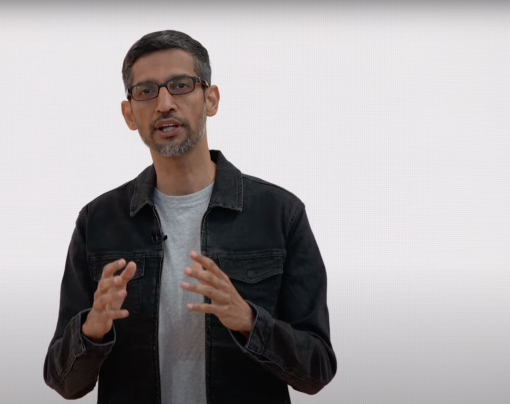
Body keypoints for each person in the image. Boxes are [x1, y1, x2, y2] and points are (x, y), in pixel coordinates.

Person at [43, 30, 337, 404]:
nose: (164, 104)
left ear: (210, 99)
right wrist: (92, 330)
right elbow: (63, 381)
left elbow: (317, 370)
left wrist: (249, 321)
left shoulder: (280, 214)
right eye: (146, 91)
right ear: (129, 114)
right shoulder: (97, 222)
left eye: (181, 85)